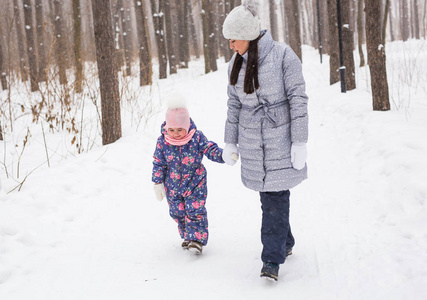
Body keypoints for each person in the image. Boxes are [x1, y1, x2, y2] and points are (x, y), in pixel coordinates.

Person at [221, 0, 309, 281]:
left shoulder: (283, 55)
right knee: (270, 198)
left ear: (247, 35)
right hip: (251, 142)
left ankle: (271, 260)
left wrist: (300, 141)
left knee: (275, 198)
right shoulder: (234, 65)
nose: (231, 46)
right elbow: (233, 105)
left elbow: (298, 98)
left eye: (233, 40)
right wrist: (230, 142)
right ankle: (285, 241)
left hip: (279, 139)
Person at [152, 95, 237, 254]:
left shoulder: (196, 137)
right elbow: (158, 162)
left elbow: (209, 149)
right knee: (177, 212)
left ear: (187, 125)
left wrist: (223, 155)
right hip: (172, 186)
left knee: (195, 210)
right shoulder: (163, 141)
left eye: (180, 129)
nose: (176, 134)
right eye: (172, 129)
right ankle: (187, 236)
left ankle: (196, 239)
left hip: (195, 183)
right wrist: (158, 183)